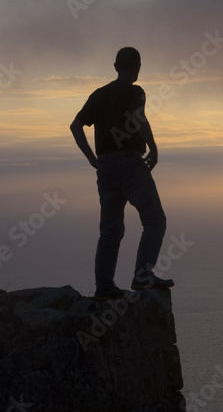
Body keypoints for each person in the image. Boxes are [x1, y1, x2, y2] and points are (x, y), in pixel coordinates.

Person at [70, 47, 174, 300]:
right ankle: (142, 276)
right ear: (138, 67)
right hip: (129, 163)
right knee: (154, 220)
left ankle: (104, 288)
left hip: (105, 168)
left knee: (110, 231)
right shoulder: (136, 92)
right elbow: (139, 119)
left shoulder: (99, 94)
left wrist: (93, 159)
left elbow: (75, 126)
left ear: (116, 67)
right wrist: (154, 148)